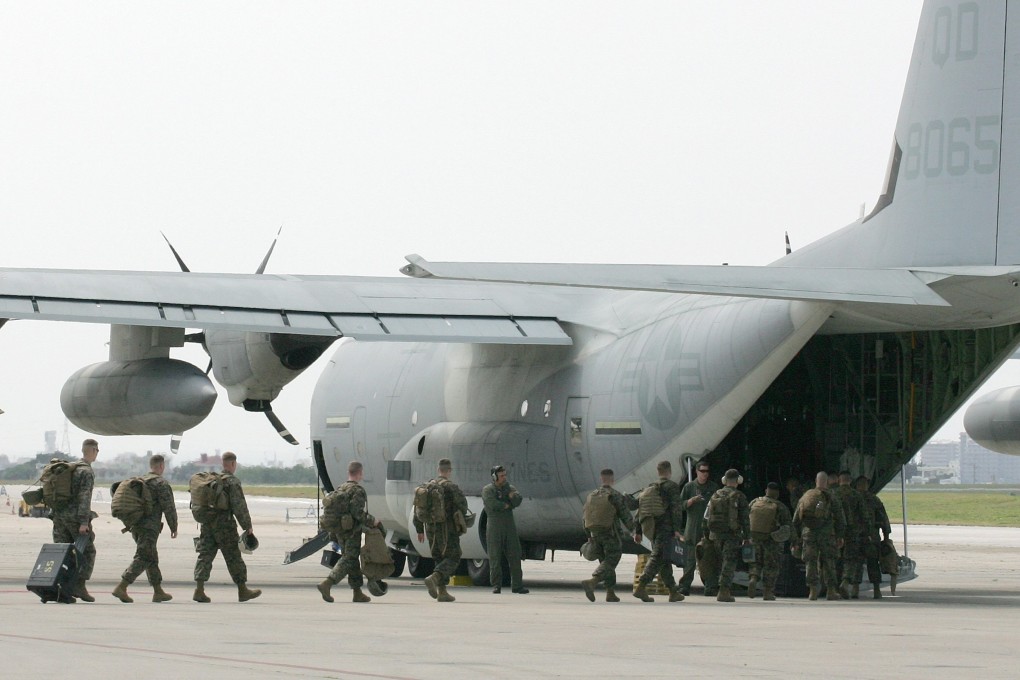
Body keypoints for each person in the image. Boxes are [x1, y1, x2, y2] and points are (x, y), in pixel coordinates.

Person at [193, 451, 261, 603]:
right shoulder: (232, 482)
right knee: (234, 557)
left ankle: (199, 589)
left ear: (223, 464)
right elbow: (239, 506)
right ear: (233, 464)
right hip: (225, 526)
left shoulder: (212, 480)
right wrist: (247, 526)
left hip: (208, 524)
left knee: (205, 555)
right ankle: (243, 590)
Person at [111, 454, 178, 603]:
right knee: (144, 556)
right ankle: (122, 586)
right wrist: (173, 526)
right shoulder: (161, 483)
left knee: (151, 557)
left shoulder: (142, 481)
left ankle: (158, 591)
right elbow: (169, 507)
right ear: (161, 466)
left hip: (135, 524)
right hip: (149, 527)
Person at [317, 461, 380, 603]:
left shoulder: (341, 488)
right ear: (360, 473)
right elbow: (357, 513)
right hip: (351, 530)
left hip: (340, 530)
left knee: (352, 559)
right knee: (349, 558)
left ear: (349, 473)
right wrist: (373, 521)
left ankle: (357, 592)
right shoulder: (357, 491)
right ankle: (327, 583)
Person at [413, 458, 469, 603]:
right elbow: (463, 505)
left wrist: (419, 529)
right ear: (449, 471)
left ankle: (443, 592)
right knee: (454, 556)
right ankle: (434, 578)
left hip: (431, 528)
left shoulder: (428, 486)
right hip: (447, 528)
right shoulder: (451, 487)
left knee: (439, 557)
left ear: (438, 470)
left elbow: (417, 509)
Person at [50, 438, 99, 602]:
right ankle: (79, 585)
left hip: (59, 517)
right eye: (97, 451)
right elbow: (85, 497)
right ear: (92, 451)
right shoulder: (86, 472)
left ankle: (58, 588)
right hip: (74, 518)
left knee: (63, 553)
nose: (97, 454)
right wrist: (84, 522)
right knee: (88, 551)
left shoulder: (71, 468)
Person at [632, 460, 685, 603]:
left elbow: (640, 511)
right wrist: (677, 530)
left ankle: (673, 591)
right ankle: (641, 587)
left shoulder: (650, 487)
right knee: (657, 557)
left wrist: (638, 530)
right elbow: (676, 509)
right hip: (665, 528)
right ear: (669, 471)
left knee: (664, 559)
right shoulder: (671, 487)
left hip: (652, 528)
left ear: (658, 472)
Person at [580, 468, 636, 602]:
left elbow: (584, 517)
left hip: (595, 534)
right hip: (611, 534)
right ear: (612, 480)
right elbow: (626, 516)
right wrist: (635, 531)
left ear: (601, 479)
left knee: (605, 561)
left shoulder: (592, 495)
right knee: (611, 560)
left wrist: (589, 535)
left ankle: (610, 592)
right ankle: (592, 581)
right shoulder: (615, 495)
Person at [792, 471, 845, 601]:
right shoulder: (831, 496)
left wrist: (796, 539)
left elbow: (795, 520)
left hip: (808, 534)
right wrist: (840, 536)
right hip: (827, 535)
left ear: (816, 481)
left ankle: (813, 590)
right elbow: (840, 518)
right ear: (826, 482)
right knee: (829, 562)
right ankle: (831, 591)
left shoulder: (806, 496)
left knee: (810, 562)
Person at [481, 464, 528, 594]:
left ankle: (517, 585)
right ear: (494, 477)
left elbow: (518, 500)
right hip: (494, 525)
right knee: (495, 556)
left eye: (504, 475)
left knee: (515, 555)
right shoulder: (488, 490)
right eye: (501, 476)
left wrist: (512, 499)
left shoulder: (509, 488)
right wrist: (507, 504)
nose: (504, 478)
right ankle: (496, 585)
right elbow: (492, 503)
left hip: (509, 525)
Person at [705, 469, 750, 602]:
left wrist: (706, 534)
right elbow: (745, 519)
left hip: (716, 534)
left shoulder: (715, 494)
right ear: (737, 481)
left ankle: (717, 587)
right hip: (732, 535)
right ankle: (724, 591)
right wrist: (747, 536)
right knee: (729, 562)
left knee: (720, 562)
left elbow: (706, 516)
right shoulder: (739, 496)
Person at [677, 461, 719, 596]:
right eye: (702, 471)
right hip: (692, 527)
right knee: (689, 559)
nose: (705, 474)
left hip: (707, 528)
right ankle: (685, 586)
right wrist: (690, 502)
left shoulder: (713, 487)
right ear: (696, 471)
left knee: (709, 558)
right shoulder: (689, 487)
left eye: (707, 471)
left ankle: (710, 587)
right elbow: (679, 505)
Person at [747, 481, 792, 600]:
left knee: (755, 562)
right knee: (771, 566)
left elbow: (746, 518)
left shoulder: (755, 502)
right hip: (771, 540)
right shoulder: (780, 506)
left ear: (766, 491)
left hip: (755, 538)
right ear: (777, 493)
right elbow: (787, 526)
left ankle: (753, 578)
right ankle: (768, 592)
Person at [855, 475, 892, 598]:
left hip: (856, 537)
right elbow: (883, 519)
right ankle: (877, 590)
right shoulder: (874, 500)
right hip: (872, 537)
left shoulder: (853, 498)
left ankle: (855, 590)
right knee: (873, 563)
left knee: (856, 563)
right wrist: (886, 538)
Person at [833, 470, 867, 598]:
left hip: (836, 532)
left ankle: (835, 588)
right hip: (853, 532)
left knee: (836, 559)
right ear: (850, 481)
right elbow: (864, 516)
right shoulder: (857, 495)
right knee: (851, 559)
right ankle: (846, 581)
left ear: (838, 480)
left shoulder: (833, 494)